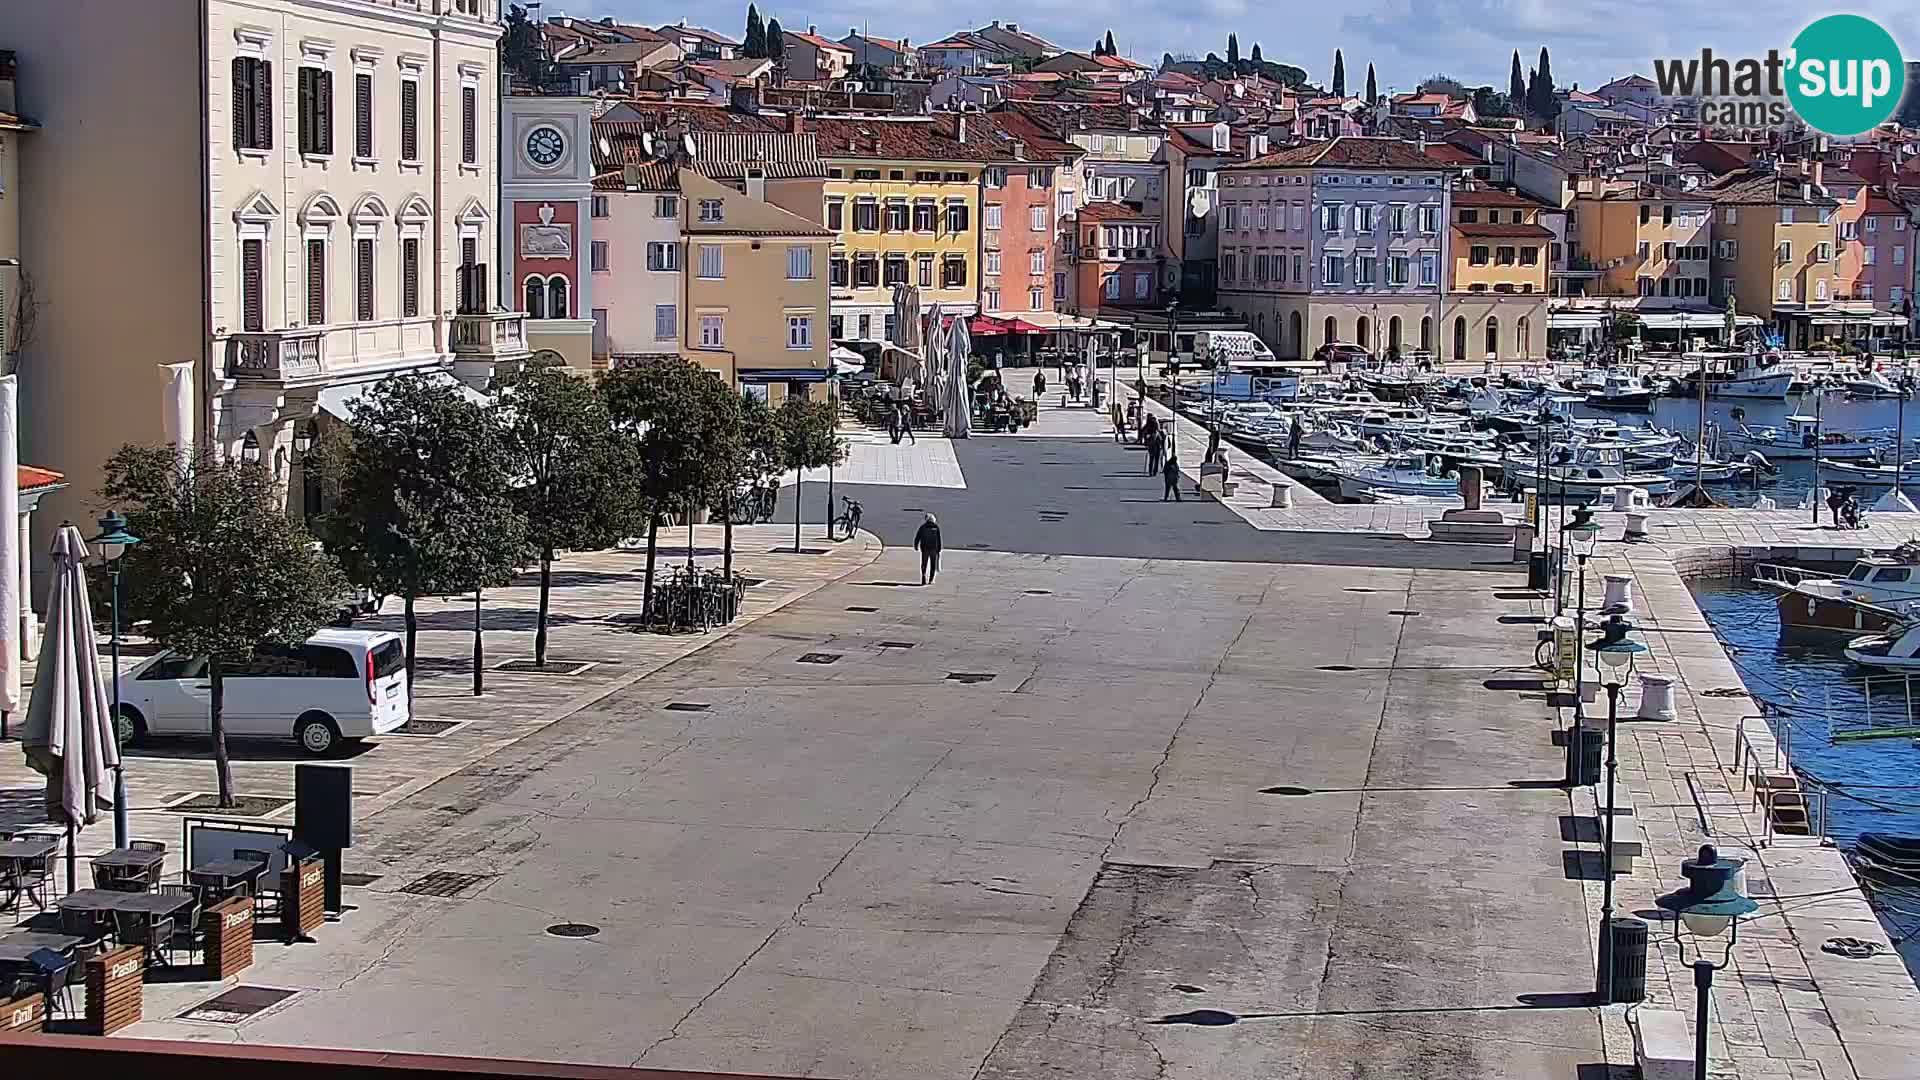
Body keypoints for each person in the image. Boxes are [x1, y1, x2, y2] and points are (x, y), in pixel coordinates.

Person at [914, 513, 942, 585]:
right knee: (933, 564)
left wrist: (916, 545)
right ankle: (931, 579)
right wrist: (939, 549)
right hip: (933, 549)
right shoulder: (936, 527)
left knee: (924, 563)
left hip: (925, 548)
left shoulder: (923, 527)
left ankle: (923, 576)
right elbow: (938, 539)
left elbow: (918, 537)